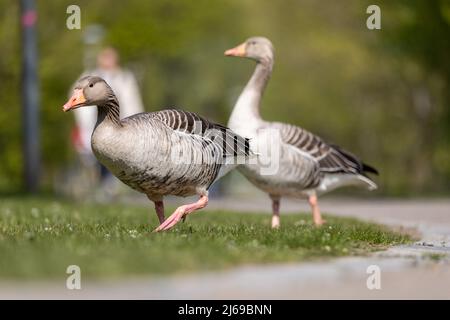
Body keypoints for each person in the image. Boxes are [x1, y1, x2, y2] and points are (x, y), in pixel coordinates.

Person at [70, 47, 144, 197]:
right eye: (105, 58)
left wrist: (137, 123)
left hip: (122, 124)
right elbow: (75, 94)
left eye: (110, 58)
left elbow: (133, 101)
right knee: (99, 154)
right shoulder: (90, 77)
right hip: (96, 124)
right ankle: (103, 186)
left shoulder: (124, 77)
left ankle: (110, 186)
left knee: (116, 154)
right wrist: (83, 121)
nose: (107, 61)